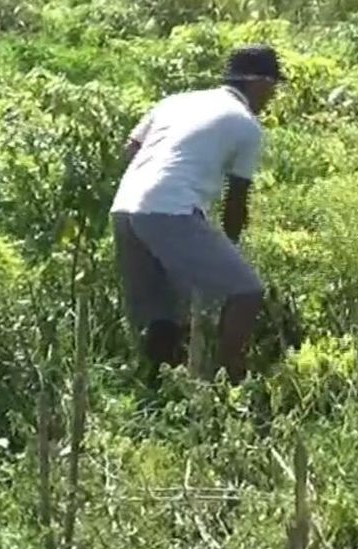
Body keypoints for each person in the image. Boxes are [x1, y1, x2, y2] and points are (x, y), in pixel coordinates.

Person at [110, 45, 283, 387]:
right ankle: (231, 383)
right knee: (246, 291)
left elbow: (129, 149)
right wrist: (229, 250)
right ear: (259, 83)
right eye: (273, 87)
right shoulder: (246, 125)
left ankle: (157, 395)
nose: (272, 97)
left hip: (126, 208)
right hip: (171, 211)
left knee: (162, 317)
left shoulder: (175, 102)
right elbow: (236, 202)